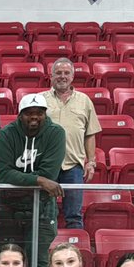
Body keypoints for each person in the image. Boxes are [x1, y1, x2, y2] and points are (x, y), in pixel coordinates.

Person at [0, 94, 65, 267]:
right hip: (8, 206)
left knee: (39, 264)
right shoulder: (6, 134)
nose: (34, 117)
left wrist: (34, 179)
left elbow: (50, 173)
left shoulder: (55, 133)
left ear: (45, 114)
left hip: (42, 207)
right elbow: (3, 174)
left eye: (39, 113)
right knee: (9, 261)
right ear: (19, 115)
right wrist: (39, 180)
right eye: (28, 113)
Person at [41, 58, 101, 230]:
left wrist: (91, 162)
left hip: (74, 167)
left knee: (74, 215)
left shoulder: (84, 101)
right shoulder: (40, 100)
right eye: (58, 73)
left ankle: (74, 254)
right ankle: (45, 254)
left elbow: (90, 134)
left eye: (66, 73)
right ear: (51, 76)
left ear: (73, 76)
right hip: (46, 166)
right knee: (45, 215)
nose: (62, 76)